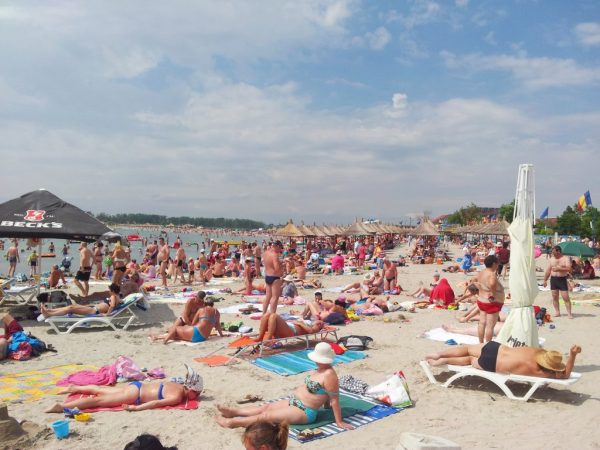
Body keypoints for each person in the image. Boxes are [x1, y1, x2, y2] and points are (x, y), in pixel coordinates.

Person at [216, 343, 353, 430]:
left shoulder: (330, 375)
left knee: (267, 416)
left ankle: (233, 423)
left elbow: (334, 399)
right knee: (265, 407)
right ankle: (233, 412)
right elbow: (327, 396)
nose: (316, 361)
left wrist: (339, 421)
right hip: (294, 402)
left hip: (305, 411)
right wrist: (326, 405)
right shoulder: (320, 369)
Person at [45, 365, 202, 413]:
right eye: (198, 392)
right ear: (191, 389)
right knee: (99, 401)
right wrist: (136, 408)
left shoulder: (178, 384)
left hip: (135, 386)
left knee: (99, 390)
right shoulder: (177, 397)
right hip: (134, 395)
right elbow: (155, 404)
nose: (199, 395)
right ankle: (61, 407)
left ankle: (74, 388)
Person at [425, 343, 582, 379]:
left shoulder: (536, 351)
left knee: (466, 348)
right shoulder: (540, 371)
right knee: (469, 359)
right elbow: (565, 374)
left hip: (497, 348)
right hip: (492, 363)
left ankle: (438, 354)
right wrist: (572, 355)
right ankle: (441, 361)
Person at [150, 296, 223, 344]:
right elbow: (218, 326)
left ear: (205, 304)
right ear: (213, 304)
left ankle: (165, 340)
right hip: (204, 337)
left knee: (175, 328)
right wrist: (222, 335)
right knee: (179, 335)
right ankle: (158, 337)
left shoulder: (201, 309)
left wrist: (188, 326)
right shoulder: (217, 312)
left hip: (196, 333)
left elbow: (194, 323)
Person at [39, 283, 122, 319]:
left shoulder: (113, 296)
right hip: (92, 308)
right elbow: (116, 303)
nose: (109, 291)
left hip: (94, 311)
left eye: (110, 290)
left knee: (71, 308)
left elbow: (112, 306)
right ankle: (49, 310)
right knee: (70, 306)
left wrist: (107, 314)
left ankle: (49, 313)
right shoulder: (117, 297)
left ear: (113, 291)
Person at [474, 255, 505, 343]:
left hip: (481, 300)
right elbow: (491, 284)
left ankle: (480, 343)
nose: (498, 265)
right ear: (494, 264)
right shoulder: (491, 274)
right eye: (497, 263)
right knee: (490, 326)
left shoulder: (481, 272)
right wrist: (493, 293)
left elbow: (474, 280)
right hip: (491, 303)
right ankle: (487, 345)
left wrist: (480, 288)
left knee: (482, 322)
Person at [543, 246, 573, 318]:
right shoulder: (552, 259)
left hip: (562, 279)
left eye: (553, 252)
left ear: (558, 251)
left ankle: (569, 313)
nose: (552, 253)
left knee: (565, 297)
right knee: (554, 297)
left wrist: (559, 269)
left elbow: (569, 269)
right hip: (553, 279)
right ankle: (557, 312)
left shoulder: (565, 258)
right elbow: (548, 270)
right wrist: (545, 280)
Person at [255, 313, 324, 342]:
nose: (320, 322)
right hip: (288, 327)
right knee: (267, 315)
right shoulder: (310, 321)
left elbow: (311, 331)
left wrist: (300, 323)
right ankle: (260, 337)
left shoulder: (314, 327)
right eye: (320, 321)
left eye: (321, 324)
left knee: (274, 316)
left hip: (291, 332)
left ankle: (269, 338)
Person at [263, 241, 284, 314]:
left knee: (268, 297)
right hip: (275, 278)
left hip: (267, 276)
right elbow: (277, 268)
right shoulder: (274, 255)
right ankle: (272, 314)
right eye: (280, 248)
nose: (280, 250)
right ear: (277, 246)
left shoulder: (266, 253)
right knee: (275, 297)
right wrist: (282, 263)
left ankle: (263, 313)